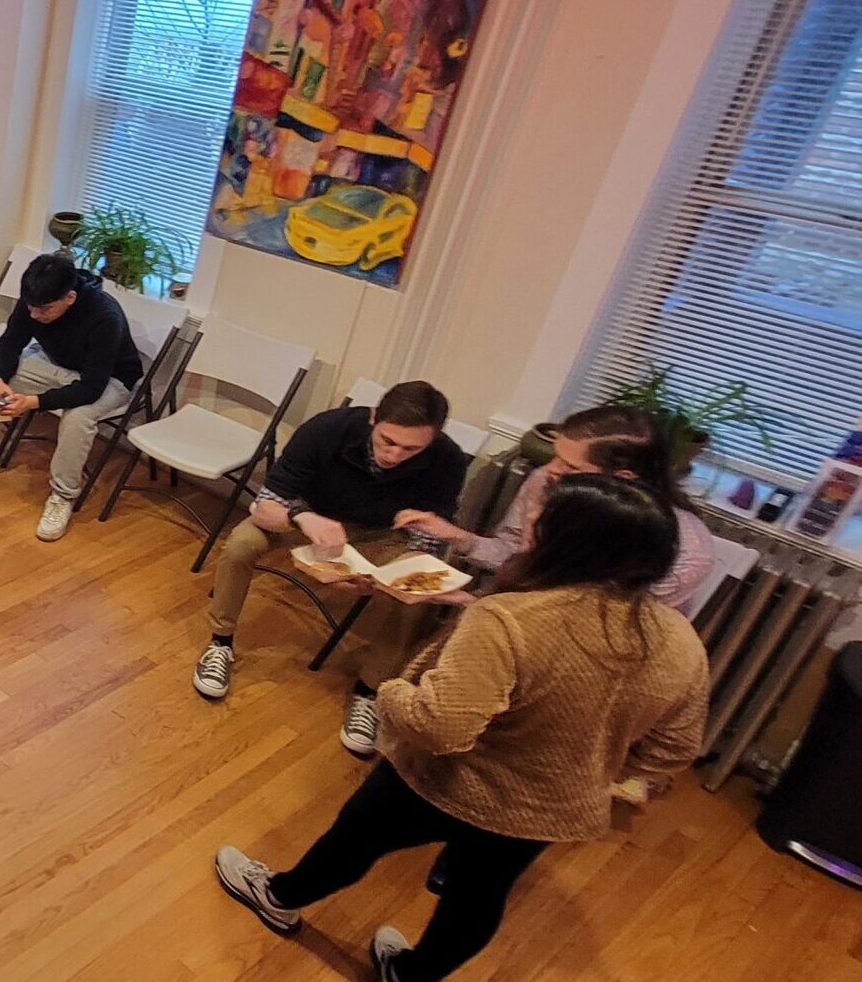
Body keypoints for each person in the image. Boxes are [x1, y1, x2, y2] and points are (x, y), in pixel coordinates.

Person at [215, 474, 709, 982]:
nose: (526, 530)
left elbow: (438, 728)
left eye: (538, 523)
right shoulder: (679, 639)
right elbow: (673, 750)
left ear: (569, 542)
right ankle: (412, 974)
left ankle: (278, 898)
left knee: (353, 842)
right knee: (478, 898)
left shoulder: (508, 620)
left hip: (447, 783)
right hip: (548, 808)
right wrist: (589, 763)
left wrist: (390, 690)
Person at [190, 381, 472, 758]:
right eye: (386, 440)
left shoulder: (447, 460)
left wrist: (390, 576)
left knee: (416, 598)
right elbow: (264, 507)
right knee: (242, 544)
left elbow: (428, 537)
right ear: (373, 418)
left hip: (383, 535)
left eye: (410, 449)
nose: (394, 454)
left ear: (433, 438)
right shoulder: (328, 429)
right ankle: (220, 642)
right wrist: (302, 517)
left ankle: (370, 691)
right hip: (309, 517)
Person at [395, 404, 717, 614]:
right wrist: (456, 536)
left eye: (570, 465)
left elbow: (595, 628)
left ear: (621, 478)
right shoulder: (544, 482)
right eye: (554, 454)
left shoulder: (685, 552)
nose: (550, 469)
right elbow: (515, 556)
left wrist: (483, 609)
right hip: (519, 619)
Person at [0, 253, 142, 543]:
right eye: (31, 308)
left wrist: (32, 402)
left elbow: (91, 389)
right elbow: (10, 342)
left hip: (110, 380)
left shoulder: (104, 316)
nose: (35, 316)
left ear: (70, 297)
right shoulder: (34, 301)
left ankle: (63, 495)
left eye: (45, 310)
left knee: (79, 416)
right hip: (57, 366)